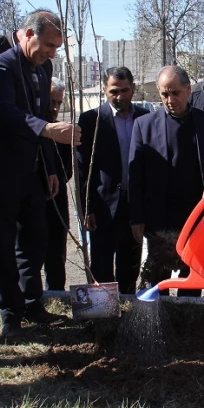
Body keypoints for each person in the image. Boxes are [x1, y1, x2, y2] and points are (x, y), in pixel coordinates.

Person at [0, 11, 82, 340]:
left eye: (56, 48)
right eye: (48, 45)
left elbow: (40, 114)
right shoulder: (1, 67)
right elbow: (4, 113)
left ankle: (34, 304)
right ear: (28, 34)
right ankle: (10, 315)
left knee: (35, 242)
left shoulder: (44, 69)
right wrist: (48, 130)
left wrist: (49, 167)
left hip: (33, 174)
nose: (52, 53)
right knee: (2, 248)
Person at [130, 65, 204, 289]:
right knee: (158, 279)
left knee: (192, 279)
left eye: (175, 93)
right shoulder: (144, 126)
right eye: (164, 94)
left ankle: (188, 310)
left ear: (188, 90)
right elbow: (135, 177)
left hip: (196, 216)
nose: (170, 100)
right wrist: (137, 217)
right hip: (160, 218)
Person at [76, 67, 149, 295]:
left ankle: (127, 308)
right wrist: (86, 207)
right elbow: (82, 169)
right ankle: (105, 313)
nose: (120, 96)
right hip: (103, 207)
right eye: (114, 91)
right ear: (104, 90)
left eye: (124, 90)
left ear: (133, 88)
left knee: (130, 266)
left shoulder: (145, 118)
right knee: (101, 267)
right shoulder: (91, 121)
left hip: (134, 207)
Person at [44, 76, 73, 291]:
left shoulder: (63, 133)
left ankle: (55, 293)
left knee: (56, 255)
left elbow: (68, 171)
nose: (54, 108)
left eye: (58, 103)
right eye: (51, 102)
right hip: (33, 202)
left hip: (57, 204)